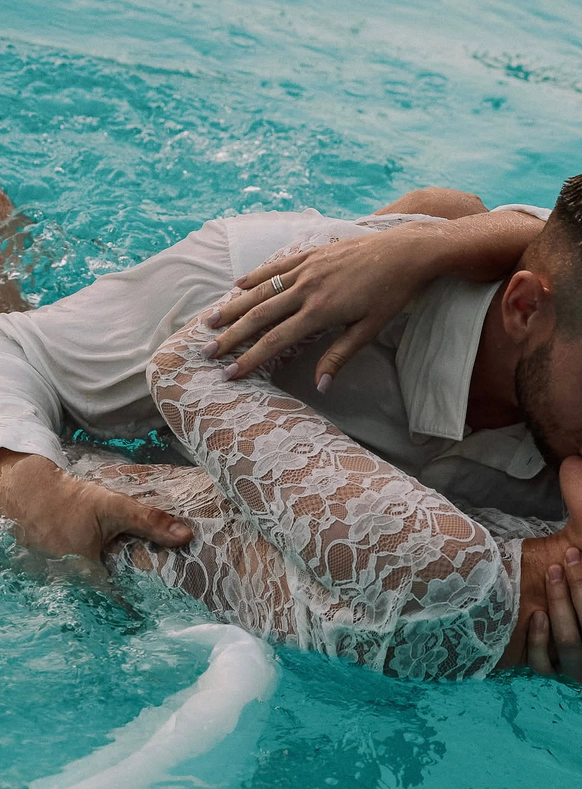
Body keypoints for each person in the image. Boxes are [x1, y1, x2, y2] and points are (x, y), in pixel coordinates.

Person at [0, 180, 580, 679]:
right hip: (131, 483)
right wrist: (30, 484)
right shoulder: (253, 277)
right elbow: (16, 351)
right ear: (524, 308)